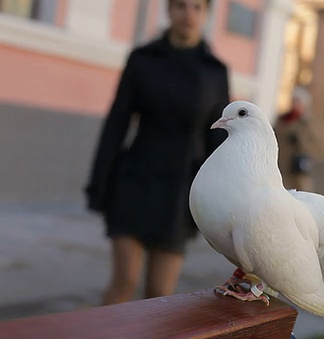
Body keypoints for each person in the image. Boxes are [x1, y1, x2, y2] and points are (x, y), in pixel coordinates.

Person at [84, 0, 229, 305]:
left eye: (197, 7)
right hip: (135, 180)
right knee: (124, 282)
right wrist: (99, 182)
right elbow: (116, 124)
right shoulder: (142, 59)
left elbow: (217, 142)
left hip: (180, 193)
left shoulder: (215, 72)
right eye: (180, 6)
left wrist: (220, 202)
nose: (188, 14)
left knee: (159, 295)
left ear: (206, 14)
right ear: (168, 10)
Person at [274, 88, 315, 191]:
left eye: (299, 102)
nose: (295, 104)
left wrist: (297, 136)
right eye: (294, 101)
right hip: (279, 162)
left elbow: (309, 146)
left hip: (295, 169)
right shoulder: (282, 119)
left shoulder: (305, 123)